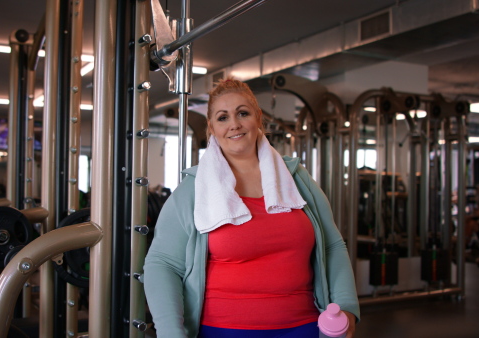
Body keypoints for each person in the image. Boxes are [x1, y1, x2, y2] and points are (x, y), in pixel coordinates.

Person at [144, 78, 360, 338]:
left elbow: (333, 245)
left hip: (304, 327)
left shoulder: (296, 178)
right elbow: (162, 264)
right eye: (222, 118)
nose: (234, 124)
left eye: (242, 113)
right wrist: (170, 333)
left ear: (258, 117)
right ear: (211, 127)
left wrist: (346, 307)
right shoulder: (194, 188)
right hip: (224, 330)